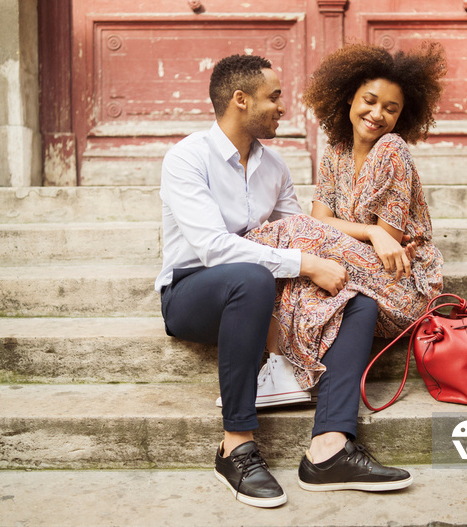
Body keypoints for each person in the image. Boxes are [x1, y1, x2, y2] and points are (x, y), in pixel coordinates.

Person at [156, 54, 413, 509]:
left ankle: (329, 448)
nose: (283, 107)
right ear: (241, 100)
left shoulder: (273, 166)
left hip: (263, 289)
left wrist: (362, 252)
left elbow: (305, 229)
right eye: (274, 97)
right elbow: (214, 249)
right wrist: (307, 265)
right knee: (251, 280)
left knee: (359, 301)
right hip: (194, 290)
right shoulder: (186, 158)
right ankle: (234, 446)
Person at [243, 41, 445, 418]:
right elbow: (322, 220)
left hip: (401, 286)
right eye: (369, 100)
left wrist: (371, 235)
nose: (377, 114)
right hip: (359, 273)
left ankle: (241, 253)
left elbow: (390, 248)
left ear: (403, 116)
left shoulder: (392, 149)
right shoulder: (336, 148)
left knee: (297, 236)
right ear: (349, 97)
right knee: (304, 264)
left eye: (391, 108)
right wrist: (369, 232)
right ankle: (283, 370)